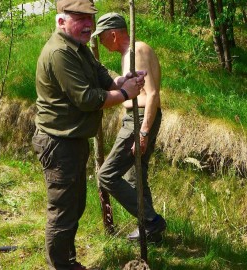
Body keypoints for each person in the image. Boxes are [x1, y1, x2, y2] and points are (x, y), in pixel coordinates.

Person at [32, 1, 146, 269]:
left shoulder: (78, 48)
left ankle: (67, 260)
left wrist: (123, 80)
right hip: (58, 143)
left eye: (90, 19)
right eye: (80, 19)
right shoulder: (60, 52)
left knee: (75, 206)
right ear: (61, 21)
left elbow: (101, 76)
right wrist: (126, 93)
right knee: (63, 212)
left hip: (72, 141)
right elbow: (86, 98)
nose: (88, 25)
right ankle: (61, 265)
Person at [92, 13, 166, 242]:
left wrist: (143, 132)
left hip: (139, 118)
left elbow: (152, 94)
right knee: (136, 174)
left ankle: (151, 221)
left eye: (102, 38)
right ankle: (150, 232)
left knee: (106, 175)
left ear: (113, 34)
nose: (101, 44)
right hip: (138, 116)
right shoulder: (130, 53)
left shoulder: (136, 51)